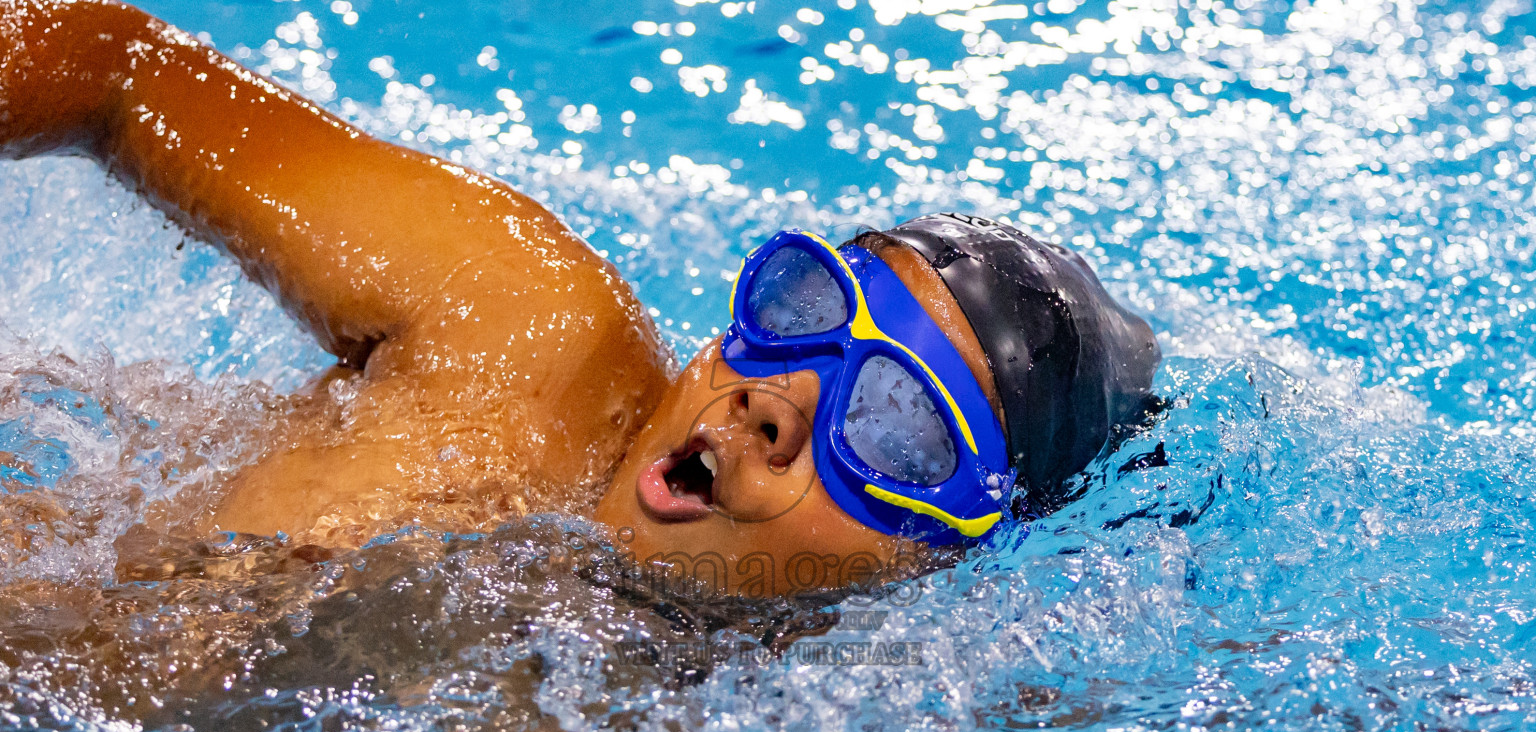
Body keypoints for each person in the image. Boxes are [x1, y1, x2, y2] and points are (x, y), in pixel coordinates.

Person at [0, 0, 1160, 600]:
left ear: (942, 560)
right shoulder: (520, 336)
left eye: (896, 425)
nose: (777, 403)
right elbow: (115, 70)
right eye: (808, 310)